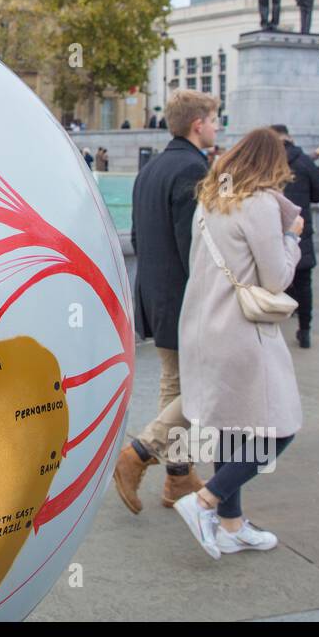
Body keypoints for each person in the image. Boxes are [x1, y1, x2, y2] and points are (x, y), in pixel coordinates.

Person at [172, 127, 304, 558]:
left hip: (200, 327)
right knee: (279, 428)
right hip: (242, 333)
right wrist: (293, 237)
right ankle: (206, 501)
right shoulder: (261, 204)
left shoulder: (210, 199)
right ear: (271, 165)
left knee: (231, 430)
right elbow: (276, 278)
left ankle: (231, 526)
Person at [113, 90, 220, 514]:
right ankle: (139, 452)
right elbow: (195, 245)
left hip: (154, 293)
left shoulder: (150, 168)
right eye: (214, 120)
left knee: (175, 383)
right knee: (202, 386)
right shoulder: (195, 169)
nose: (217, 127)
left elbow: (139, 237)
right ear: (198, 124)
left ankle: (178, 477)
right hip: (187, 298)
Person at [272, 125, 319, 348]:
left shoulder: (269, 162)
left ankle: (272, 330)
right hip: (300, 227)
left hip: (273, 228)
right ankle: (305, 330)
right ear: (290, 138)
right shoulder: (305, 161)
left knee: (273, 279)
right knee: (304, 281)